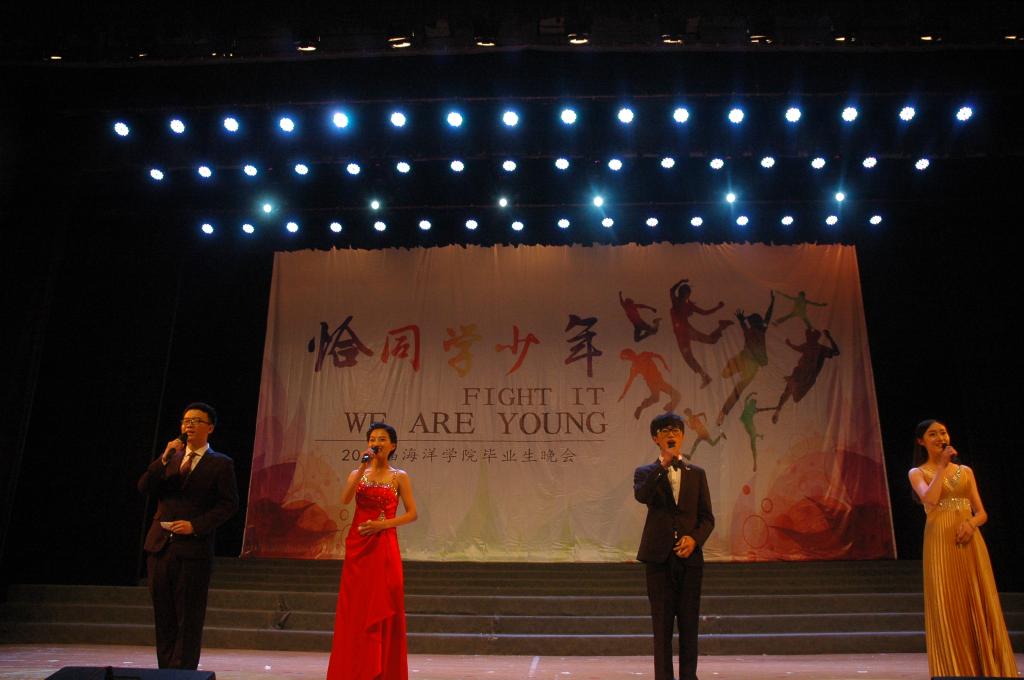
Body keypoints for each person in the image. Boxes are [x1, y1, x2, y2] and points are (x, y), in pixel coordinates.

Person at [907, 419, 1018, 678]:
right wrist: (941, 467)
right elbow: (930, 499)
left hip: (970, 539)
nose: (940, 437)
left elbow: (982, 513)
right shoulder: (917, 472)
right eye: (933, 434)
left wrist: (971, 524)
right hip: (940, 541)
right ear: (921, 442)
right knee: (948, 601)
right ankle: (954, 669)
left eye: (943, 432)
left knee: (977, 596)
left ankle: (989, 666)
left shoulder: (965, 471)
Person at [137, 402, 239, 670]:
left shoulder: (220, 463)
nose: (189, 425)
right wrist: (163, 458)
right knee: (164, 615)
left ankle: (183, 673)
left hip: (193, 550)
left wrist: (195, 526)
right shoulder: (170, 458)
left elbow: (228, 504)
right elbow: (144, 487)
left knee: (189, 617)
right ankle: (165, 670)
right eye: (185, 421)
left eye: (196, 421)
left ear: (210, 427)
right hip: (160, 546)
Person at [328, 421, 418, 680]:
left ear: (393, 446)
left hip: (384, 546)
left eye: (382, 439)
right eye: (372, 439)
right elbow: (345, 499)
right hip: (358, 547)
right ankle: (355, 669)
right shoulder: (358, 473)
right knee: (356, 608)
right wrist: (361, 467)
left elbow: (412, 514)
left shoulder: (399, 476)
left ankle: (383, 671)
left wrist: (383, 524)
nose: (376, 443)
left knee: (382, 603)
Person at [634, 413, 715, 680]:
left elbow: (707, 518)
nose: (671, 434)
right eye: (665, 431)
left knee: (689, 625)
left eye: (676, 430)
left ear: (682, 436)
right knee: (662, 627)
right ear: (655, 438)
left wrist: (694, 539)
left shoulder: (697, 474)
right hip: (659, 560)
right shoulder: (645, 473)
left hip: (690, 561)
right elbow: (642, 495)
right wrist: (663, 464)